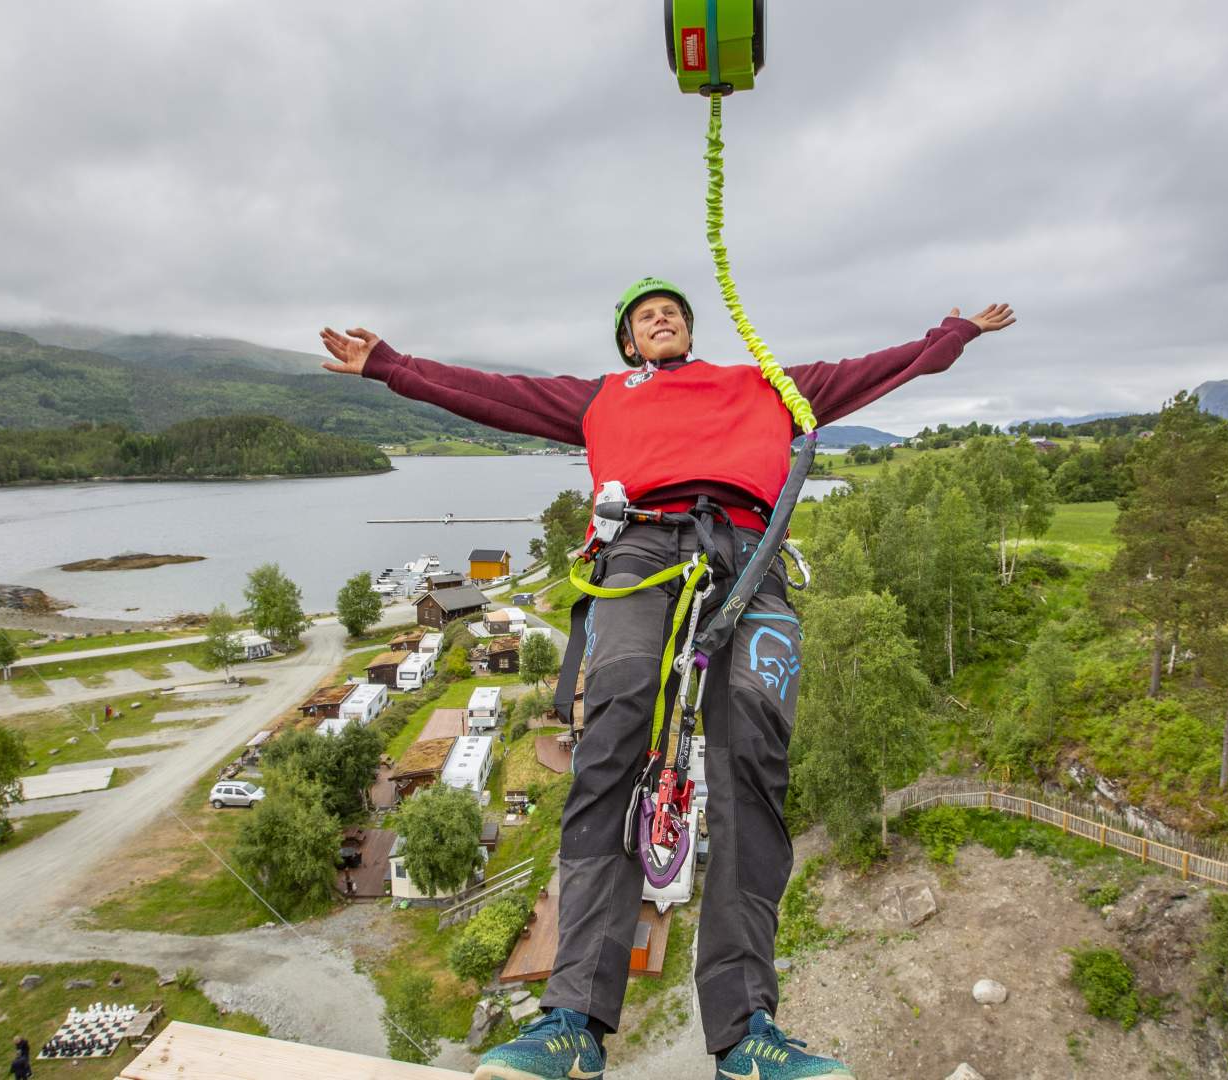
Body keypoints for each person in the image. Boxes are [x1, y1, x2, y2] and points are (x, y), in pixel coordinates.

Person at [322, 281, 1014, 1080]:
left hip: (751, 561)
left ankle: (747, 1032)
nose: (662, 317)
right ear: (627, 343)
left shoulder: (765, 386)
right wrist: (390, 366)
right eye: (644, 315)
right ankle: (571, 1022)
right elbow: (495, 395)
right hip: (640, 553)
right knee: (613, 739)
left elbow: (877, 369)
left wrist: (953, 332)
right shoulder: (603, 397)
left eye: (673, 311)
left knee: (754, 761)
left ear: (689, 329)